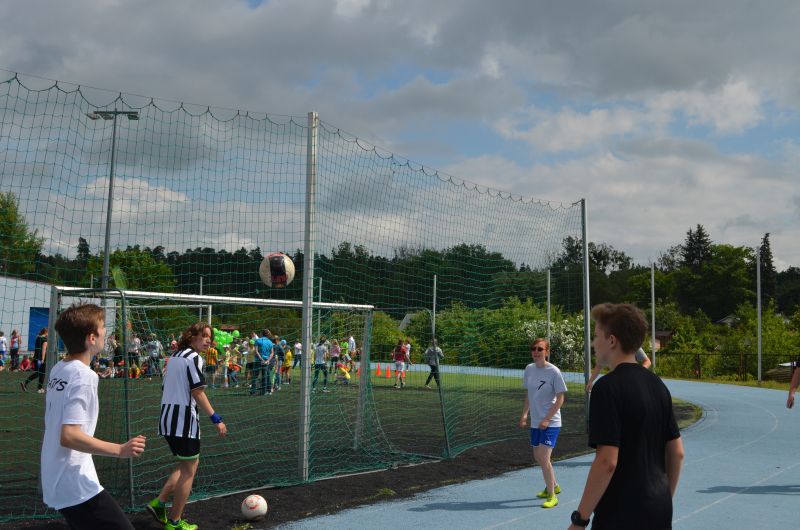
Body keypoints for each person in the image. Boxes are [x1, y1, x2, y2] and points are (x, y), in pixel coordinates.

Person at [569, 303, 684, 530]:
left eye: (596, 336)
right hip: (659, 509)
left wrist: (580, 520)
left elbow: (607, 462)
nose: (593, 343)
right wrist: (662, 499)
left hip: (620, 513)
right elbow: (677, 452)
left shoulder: (606, 389)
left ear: (612, 340)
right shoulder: (658, 385)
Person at [41, 303, 146, 529]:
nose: (105, 332)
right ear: (91, 338)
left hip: (58, 476)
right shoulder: (84, 376)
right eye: (102, 327)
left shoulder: (59, 368)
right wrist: (120, 449)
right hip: (73, 482)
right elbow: (69, 436)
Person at [147, 322, 227, 530]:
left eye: (210, 337)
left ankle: (159, 503)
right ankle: (174, 522)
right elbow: (197, 392)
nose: (209, 340)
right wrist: (216, 418)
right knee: (189, 471)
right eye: (205, 335)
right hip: (183, 422)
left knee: (186, 465)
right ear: (192, 336)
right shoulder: (194, 358)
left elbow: (165, 387)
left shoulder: (174, 357)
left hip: (167, 419)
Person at [519, 338, 567, 509]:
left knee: (544, 457)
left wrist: (547, 418)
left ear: (547, 352)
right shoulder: (529, 369)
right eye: (533, 349)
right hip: (535, 422)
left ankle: (552, 496)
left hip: (551, 422)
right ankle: (554, 485)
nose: (536, 352)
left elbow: (560, 398)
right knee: (537, 456)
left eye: (540, 349)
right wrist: (525, 414)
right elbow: (529, 395)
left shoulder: (554, 371)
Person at [586, 346, 652, 392]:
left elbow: (647, 362)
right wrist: (590, 381)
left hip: (632, 384)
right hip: (615, 384)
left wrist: (637, 373)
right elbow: (599, 365)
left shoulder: (633, 343)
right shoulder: (608, 343)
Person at [21, 328, 48, 393]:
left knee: (38, 373)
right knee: (42, 373)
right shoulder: (44, 339)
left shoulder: (37, 338)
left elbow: (36, 350)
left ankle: (25, 383)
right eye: (48, 333)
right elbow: (43, 349)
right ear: (46, 332)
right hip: (41, 358)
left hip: (36, 358)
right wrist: (43, 359)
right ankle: (40, 389)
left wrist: (33, 359)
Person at [252, 330, 274, 396]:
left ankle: (253, 391)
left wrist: (261, 359)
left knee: (255, 376)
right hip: (266, 361)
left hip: (258, 361)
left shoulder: (258, 340)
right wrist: (268, 360)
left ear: (261, 334)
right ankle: (264, 391)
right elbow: (272, 352)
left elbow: (256, 351)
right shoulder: (270, 342)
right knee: (265, 376)